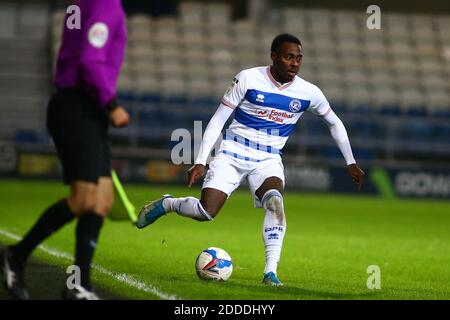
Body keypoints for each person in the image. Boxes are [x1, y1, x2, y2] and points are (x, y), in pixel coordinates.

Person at [136, 33, 365, 286]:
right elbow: (218, 119)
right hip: (231, 153)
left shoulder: (309, 92)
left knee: (275, 203)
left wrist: (350, 161)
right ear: (274, 56)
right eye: (289, 57)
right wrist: (201, 160)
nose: (294, 63)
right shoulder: (248, 78)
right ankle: (168, 204)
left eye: (299, 58)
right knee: (206, 212)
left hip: (267, 160)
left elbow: (334, 122)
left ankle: (270, 273)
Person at [1, 0, 129, 300]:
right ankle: (16, 257)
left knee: (101, 200)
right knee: (83, 198)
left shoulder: (80, 4)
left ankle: (79, 284)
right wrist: (112, 104)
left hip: (80, 107)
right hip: (79, 108)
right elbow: (90, 59)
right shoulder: (107, 6)